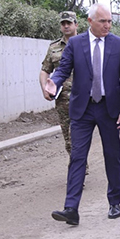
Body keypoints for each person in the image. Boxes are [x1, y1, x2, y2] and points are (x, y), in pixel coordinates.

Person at [46, 3, 120, 226]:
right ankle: (71, 208)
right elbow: (63, 70)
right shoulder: (76, 43)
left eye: (109, 21)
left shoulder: (118, 44)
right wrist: (53, 84)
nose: (107, 25)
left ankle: (114, 202)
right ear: (90, 21)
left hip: (109, 109)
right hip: (82, 109)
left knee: (112, 155)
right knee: (77, 157)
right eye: (103, 21)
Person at [39, 11, 78, 157]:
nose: (66, 26)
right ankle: (77, 165)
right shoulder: (54, 47)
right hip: (63, 100)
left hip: (84, 98)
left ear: (76, 24)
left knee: (80, 135)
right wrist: (45, 89)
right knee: (68, 138)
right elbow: (45, 70)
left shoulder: (85, 44)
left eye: (69, 23)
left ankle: (79, 163)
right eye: (63, 23)